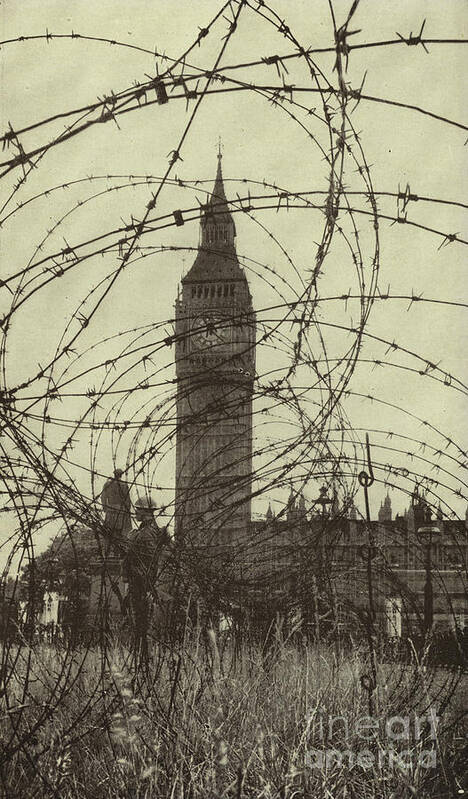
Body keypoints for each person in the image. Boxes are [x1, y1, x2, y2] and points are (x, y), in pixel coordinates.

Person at [124, 497, 171, 665]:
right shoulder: (147, 531)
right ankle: (143, 660)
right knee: (141, 625)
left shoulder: (147, 534)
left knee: (142, 624)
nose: (136, 512)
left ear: (146, 512)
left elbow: (149, 562)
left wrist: (144, 583)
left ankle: (145, 660)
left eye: (138, 509)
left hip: (142, 585)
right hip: (141, 583)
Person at [101, 469, 132, 538]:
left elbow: (103, 497)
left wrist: (104, 507)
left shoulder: (107, 484)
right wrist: (128, 510)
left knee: (110, 528)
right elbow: (127, 499)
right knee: (119, 528)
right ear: (121, 475)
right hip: (121, 509)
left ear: (114, 474)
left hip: (110, 509)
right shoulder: (124, 485)